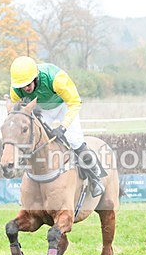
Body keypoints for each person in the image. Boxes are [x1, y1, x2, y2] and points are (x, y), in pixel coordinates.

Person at [9, 55, 105, 197]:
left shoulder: (56, 78)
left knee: (74, 140)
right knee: (33, 142)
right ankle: (30, 189)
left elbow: (75, 102)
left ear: (35, 77)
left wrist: (63, 127)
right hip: (41, 110)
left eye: (28, 84)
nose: (25, 88)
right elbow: (21, 115)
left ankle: (95, 177)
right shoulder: (15, 91)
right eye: (21, 86)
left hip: (64, 106)